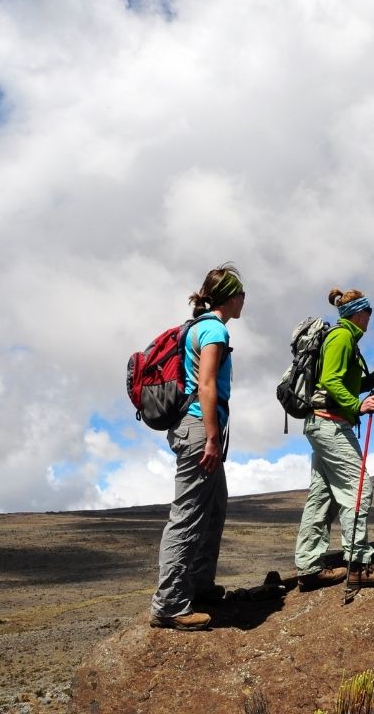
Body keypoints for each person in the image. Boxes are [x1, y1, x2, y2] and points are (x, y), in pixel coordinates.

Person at [150, 263, 246, 630]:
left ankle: (199, 585)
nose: (244, 300)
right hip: (197, 429)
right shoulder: (213, 330)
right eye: (242, 293)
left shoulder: (200, 326)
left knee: (214, 507)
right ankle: (170, 604)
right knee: (188, 515)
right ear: (230, 296)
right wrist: (210, 437)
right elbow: (206, 385)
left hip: (195, 427)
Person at [294, 288, 374, 591]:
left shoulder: (345, 339)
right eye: (369, 313)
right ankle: (359, 565)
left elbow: (341, 380)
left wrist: (371, 379)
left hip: (322, 424)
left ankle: (309, 567)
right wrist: (357, 406)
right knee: (359, 487)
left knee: (323, 497)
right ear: (359, 312)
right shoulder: (341, 337)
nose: (370, 319)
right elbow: (330, 381)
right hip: (331, 425)